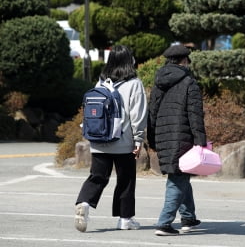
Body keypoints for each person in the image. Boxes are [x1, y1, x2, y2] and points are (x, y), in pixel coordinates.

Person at [74, 45, 148, 232]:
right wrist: (139, 140)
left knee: (97, 177)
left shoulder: (100, 83)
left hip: (99, 140)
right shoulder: (134, 83)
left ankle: (84, 203)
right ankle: (125, 220)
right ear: (128, 60)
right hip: (123, 143)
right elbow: (137, 114)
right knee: (126, 180)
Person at [147, 44, 207, 236]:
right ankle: (164, 223)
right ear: (184, 60)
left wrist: (152, 139)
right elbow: (195, 114)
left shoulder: (158, 82)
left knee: (181, 175)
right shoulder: (189, 82)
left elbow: (152, 113)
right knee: (177, 178)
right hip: (182, 137)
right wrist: (200, 141)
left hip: (163, 136)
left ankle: (188, 217)